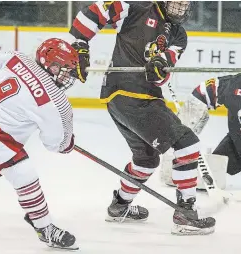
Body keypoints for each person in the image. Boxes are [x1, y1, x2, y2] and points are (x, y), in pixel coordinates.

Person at [69, 1, 215, 235]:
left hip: (131, 99)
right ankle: (186, 213)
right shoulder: (136, 9)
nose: (180, 10)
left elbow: (164, 71)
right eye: (176, 4)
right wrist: (79, 44)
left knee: (146, 159)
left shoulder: (179, 35)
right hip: (130, 95)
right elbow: (93, 12)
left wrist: (159, 68)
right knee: (187, 144)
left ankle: (120, 206)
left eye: (184, 5)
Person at [0, 38, 80, 250]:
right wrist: (68, 143)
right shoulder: (56, 101)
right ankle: (44, 227)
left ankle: (42, 224)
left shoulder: (14, 57)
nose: (67, 76)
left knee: (21, 169)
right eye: (64, 69)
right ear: (51, 64)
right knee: (24, 173)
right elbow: (56, 144)